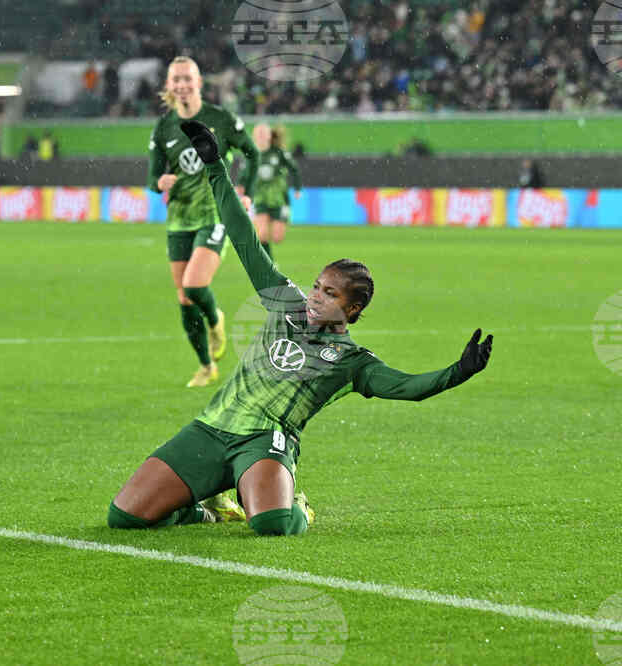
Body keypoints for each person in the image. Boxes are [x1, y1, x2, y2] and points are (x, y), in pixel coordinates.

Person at [108, 120, 494, 536]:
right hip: (213, 427)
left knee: (273, 524)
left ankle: (297, 505)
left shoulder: (351, 362)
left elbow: (407, 388)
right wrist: (215, 165)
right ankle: (203, 507)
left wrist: (460, 371)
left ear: (354, 307)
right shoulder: (284, 302)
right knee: (125, 517)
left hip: (264, 443)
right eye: (316, 286)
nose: (315, 296)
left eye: (330, 294)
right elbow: (243, 237)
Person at [147, 56, 259, 388]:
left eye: (187, 78)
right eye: (175, 80)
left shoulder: (219, 119)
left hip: (214, 213)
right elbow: (153, 174)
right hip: (179, 218)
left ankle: (215, 320)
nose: (181, 85)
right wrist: (159, 183)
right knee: (183, 298)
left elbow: (251, 152)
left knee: (195, 287)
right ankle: (206, 365)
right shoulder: (164, 127)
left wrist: (246, 191)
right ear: (169, 86)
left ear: (199, 82)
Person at [249, 123, 301, 261]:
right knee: (262, 235)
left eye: (263, 133)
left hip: (280, 200)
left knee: (277, 238)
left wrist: (297, 188)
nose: (260, 136)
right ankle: (269, 265)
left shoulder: (278, 153)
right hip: (260, 199)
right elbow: (244, 175)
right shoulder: (251, 154)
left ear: (269, 136)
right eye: (258, 133)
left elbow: (294, 169)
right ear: (253, 136)